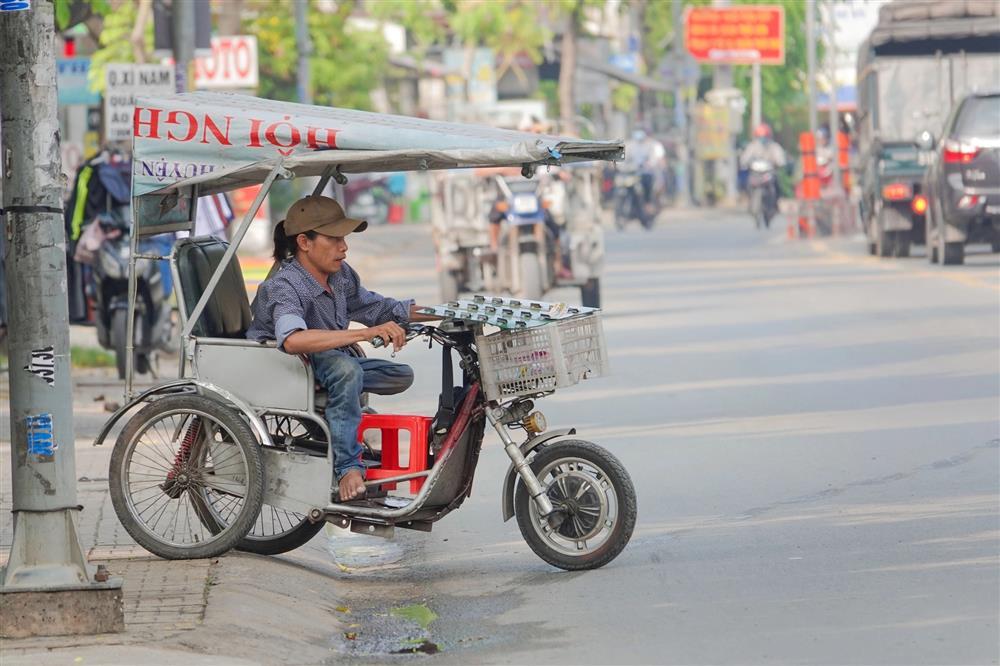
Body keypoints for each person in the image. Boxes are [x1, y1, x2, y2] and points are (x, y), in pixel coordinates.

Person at [246, 195, 437, 502]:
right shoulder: (285, 285)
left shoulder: (340, 276)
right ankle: (347, 467)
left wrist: (446, 311)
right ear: (305, 242)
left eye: (344, 239)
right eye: (334, 239)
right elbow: (293, 339)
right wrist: (366, 334)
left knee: (400, 375)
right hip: (286, 365)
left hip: (327, 360)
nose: (344, 248)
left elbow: (377, 307)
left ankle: (348, 419)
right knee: (347, 372)